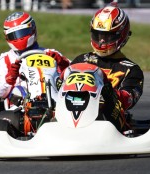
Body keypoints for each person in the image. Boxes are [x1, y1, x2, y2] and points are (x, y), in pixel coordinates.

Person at [57, 3, 144, 132]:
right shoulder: (81, 60)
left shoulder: (131, 70)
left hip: (107, 119)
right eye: (98, 35)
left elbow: (129, 100)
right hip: (72, 110)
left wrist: (110, 94)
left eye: (107, 37)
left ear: (121, 35)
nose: (101, 41)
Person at [0, 11, 70, 102]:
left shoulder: (51, 54)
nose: (19, 38)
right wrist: (11, 76)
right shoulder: (6, 60)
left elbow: (74, 76)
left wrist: (63, 64)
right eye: (14, 35)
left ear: (33, 29)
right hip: (21, 107)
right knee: (17, 91)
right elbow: (0, 93)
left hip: (55, 99)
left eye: (23, 33)